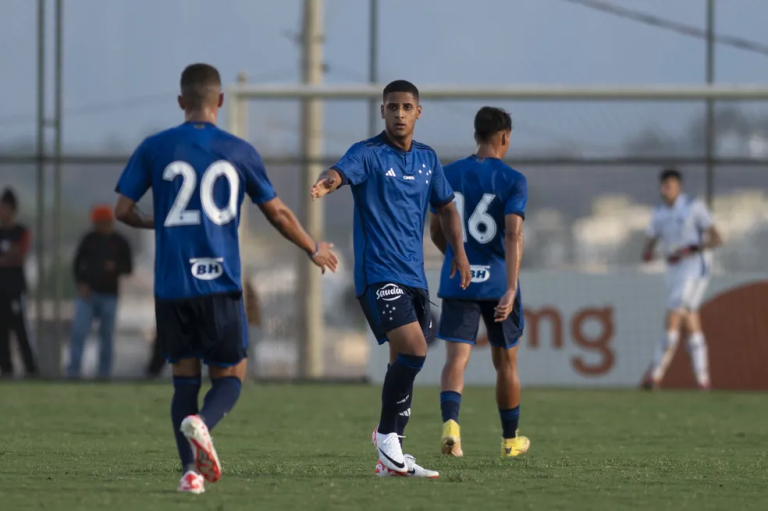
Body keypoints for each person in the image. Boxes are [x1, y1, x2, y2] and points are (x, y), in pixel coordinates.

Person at [114, 63, 337, 494]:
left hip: (171, 286)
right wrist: (313, 247)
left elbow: (122, 210)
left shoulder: (155, 147)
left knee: (183, 378)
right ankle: (203, 421)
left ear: (182, 101)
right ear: (219, 101)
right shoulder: (238, 150)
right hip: (220, 284)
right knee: (231, 376)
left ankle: (191, 474)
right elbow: (277, 212)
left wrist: (155, 224)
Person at [311, 80, 471, 478]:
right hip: (378, 274)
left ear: (418, 112)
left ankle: (391, 456)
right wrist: (326, 183)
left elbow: (447, 208)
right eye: (392, 107)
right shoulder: (367, 154)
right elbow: (339, 172)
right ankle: (385, 435)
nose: (399, 114)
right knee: (416, 350)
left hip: (413, 276)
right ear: (382, 111)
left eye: (406, 107)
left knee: (403, 359)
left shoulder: (428, 160)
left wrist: (460, 251)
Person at [430, 107, 530, 459]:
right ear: (504, 137)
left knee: (456, 358)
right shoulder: (514, 179)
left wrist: (457, 259)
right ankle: (509, 441)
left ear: (476, 135)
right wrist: (512, 287)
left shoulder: (448, 172)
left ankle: (452, 430)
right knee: (506, 363)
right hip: (499, 283)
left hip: (460, 279)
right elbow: (513, 233)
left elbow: (435, 230)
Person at [641, 169, 722, 390]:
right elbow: (651, 237)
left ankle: (655, 375)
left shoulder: (693, 208)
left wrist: (694, 248)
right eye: (663, 186)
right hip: (673, 269)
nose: (665, 190)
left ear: (679, 186)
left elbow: (717, 238)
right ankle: (703, 380)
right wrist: (647, 251)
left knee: (673, 317)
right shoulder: (658, 212)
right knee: (690, 320)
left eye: (670, 185)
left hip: (695, 268)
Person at [67, 205, 133, 379]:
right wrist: (81, 284)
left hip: (109, 295)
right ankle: (73, 373)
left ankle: (104, 375)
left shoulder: (119, 242)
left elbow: (128, 268)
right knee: (79, 333)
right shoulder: (89, 239)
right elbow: (77, 263)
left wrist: (115, 267)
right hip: (88, 295)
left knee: (106, 337)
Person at [0, 188, 38, 378]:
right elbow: (12, 255)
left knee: (20, 329)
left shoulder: (20, 231)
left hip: (15, 288)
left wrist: (7, 259)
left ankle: (31, 369)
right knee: (2, 332)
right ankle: (6, 369)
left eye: (5, 207)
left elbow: (19, 255)